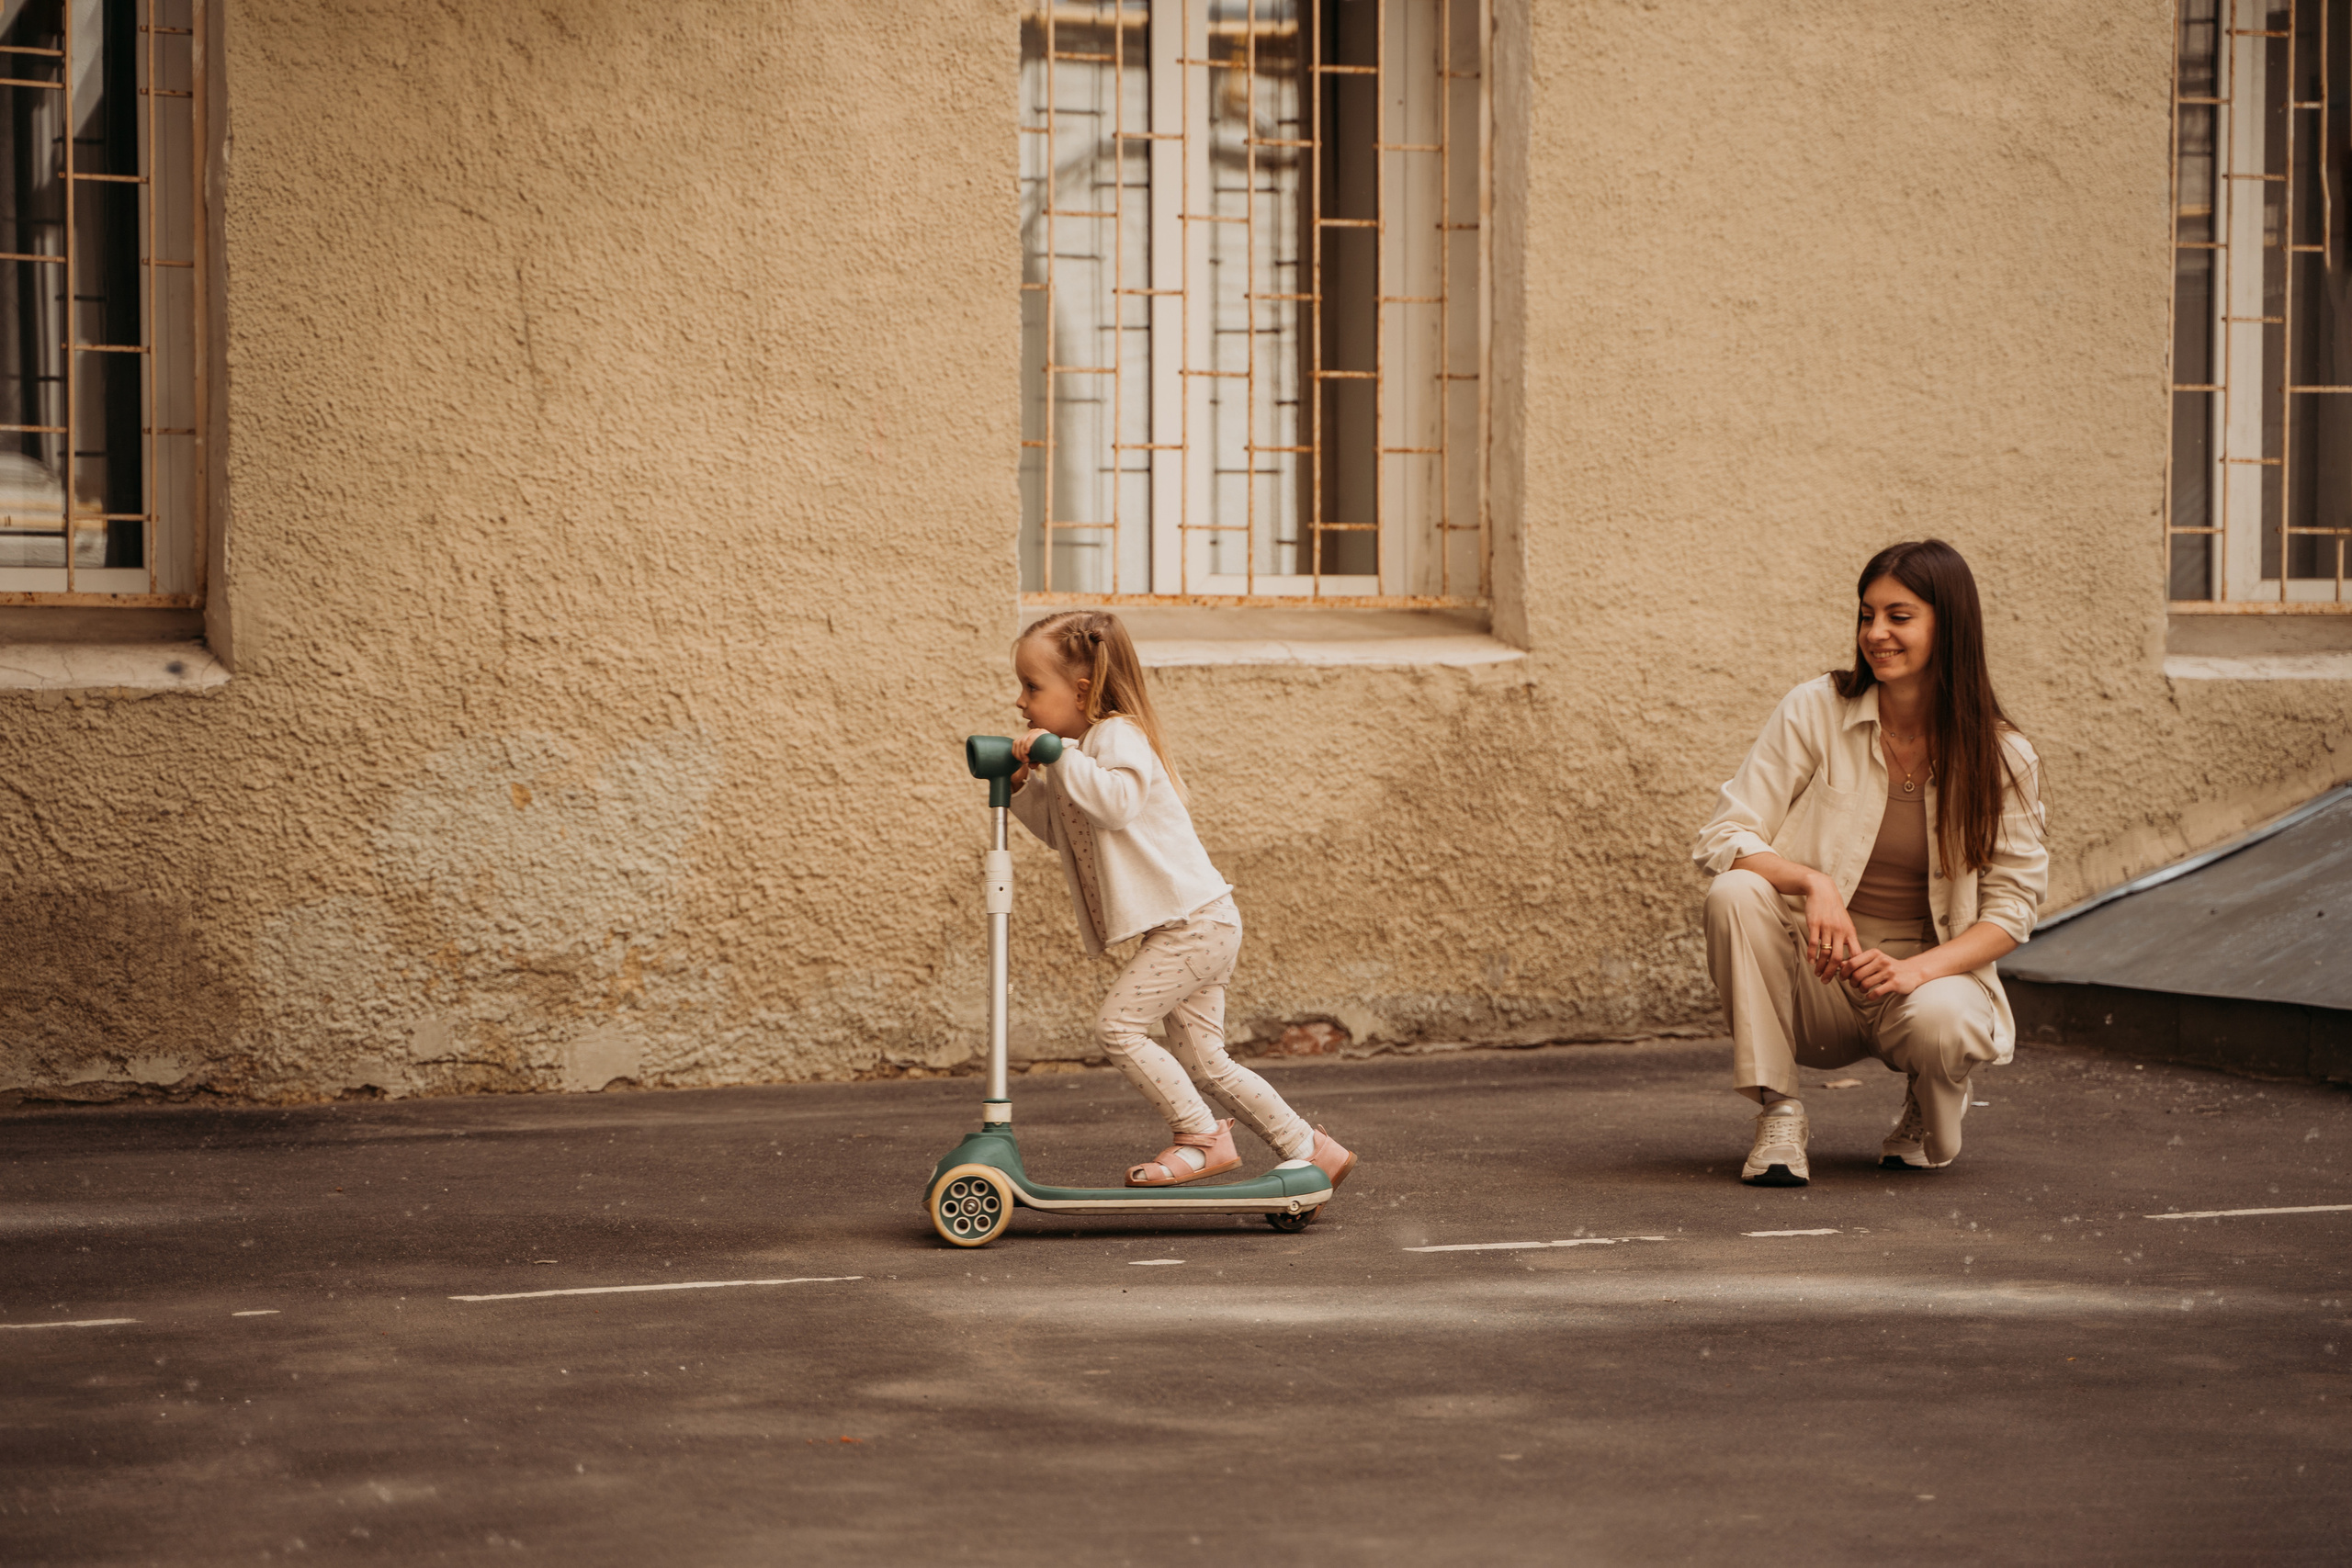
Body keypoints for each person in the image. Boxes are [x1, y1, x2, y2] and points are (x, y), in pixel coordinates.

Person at [1691, 539, 2047, 1186]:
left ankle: (1927, 1099)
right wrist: (1811, 882)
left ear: (1949, 624)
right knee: (1735, 891)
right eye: (1866, 615)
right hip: (1820, 970)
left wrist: (1917, 970)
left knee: (1945, 1018)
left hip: (1921, 979)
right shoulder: (1816, 709)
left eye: (1898, 616)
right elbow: (1726, 831)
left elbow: (2013, 911)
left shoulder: (2003, 756)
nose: (1875, 633)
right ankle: (1780, 1109)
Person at [1006, 610, 1357, 1191]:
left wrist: (1058, 756)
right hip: (1196, 924)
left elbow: (1113, 803)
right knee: (1206, 1062)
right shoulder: (1082, 753)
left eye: (1033, 686)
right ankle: (1311, 1148)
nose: (1021, 701)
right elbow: (1071, 829)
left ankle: (1200, 1137)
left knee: (1119, 1027)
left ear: (1083, 689)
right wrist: (1024, 787)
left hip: (1194, 924)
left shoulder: (1115, 734)